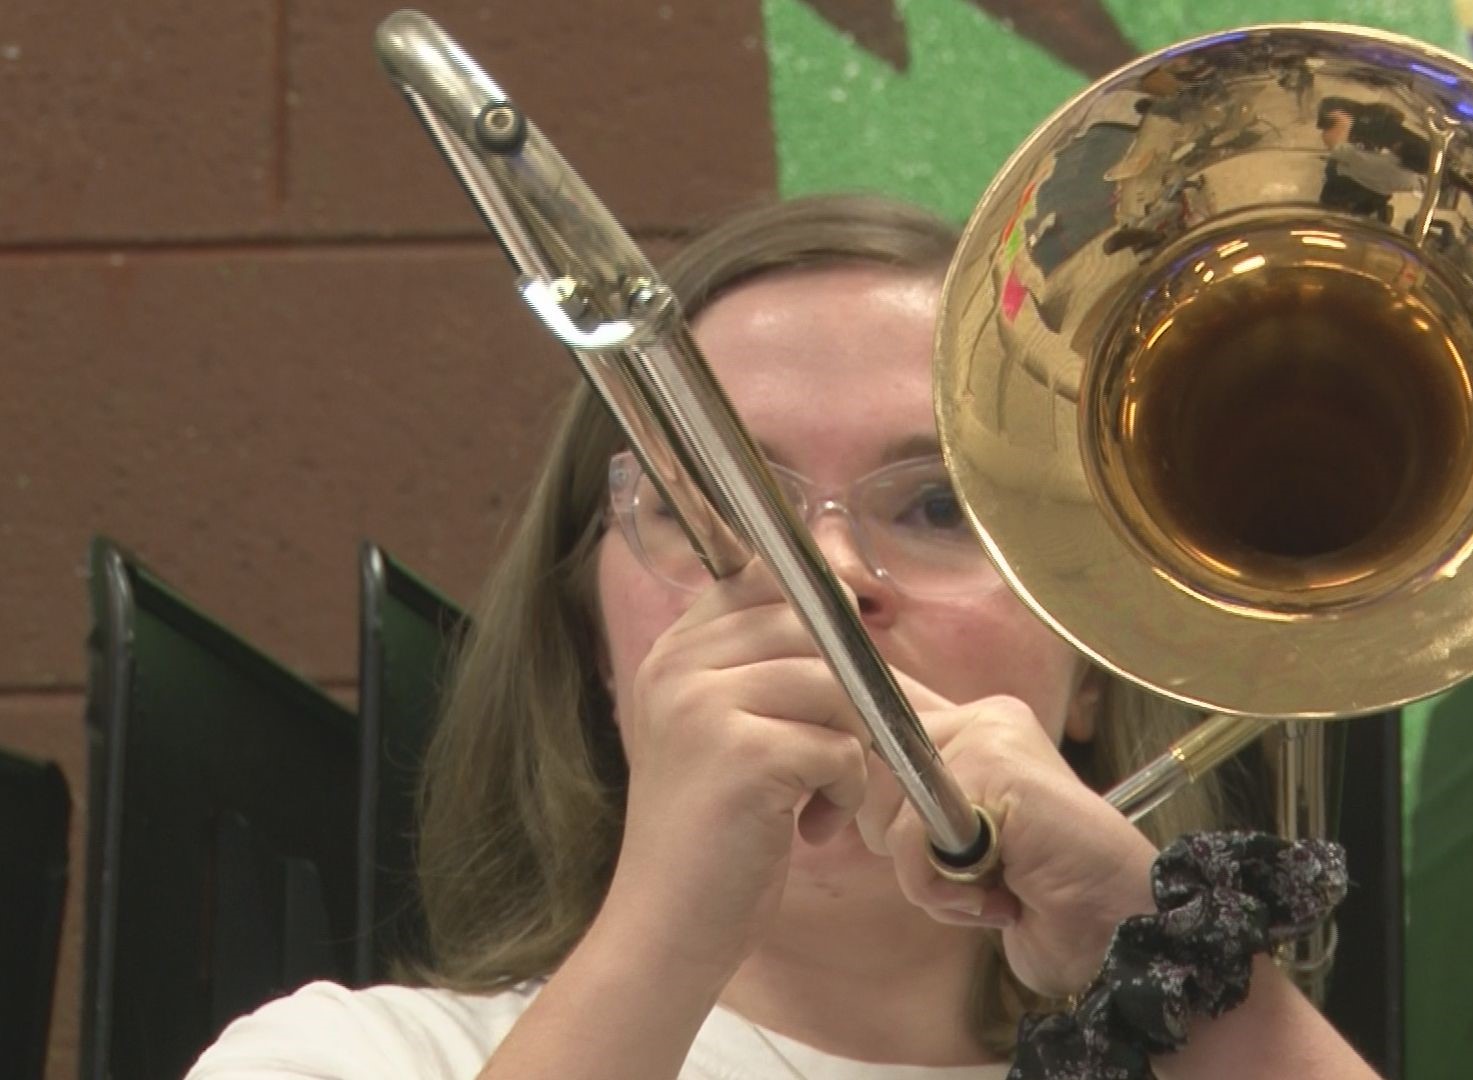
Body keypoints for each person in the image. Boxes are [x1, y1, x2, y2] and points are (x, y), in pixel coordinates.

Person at [188, 194, 1380, 1079]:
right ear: (603, 658)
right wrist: (668, 930)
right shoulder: (351, 1056)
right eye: (719, 512)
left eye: (938, 507)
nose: (830, 582)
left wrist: (1180, 964)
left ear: (1087, 668)